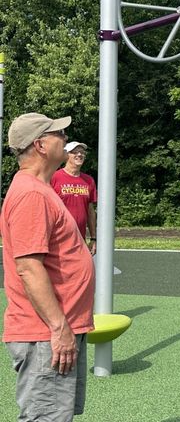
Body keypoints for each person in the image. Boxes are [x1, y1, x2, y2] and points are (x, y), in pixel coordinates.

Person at [1, 113, 95, 421]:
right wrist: (59, 328)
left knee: (56, 415)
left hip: (55, 329)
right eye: (59, 134)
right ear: (41, 145)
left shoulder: (40, 190)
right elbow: (29, 268)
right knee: (46, 417)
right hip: (46, 333)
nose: (66, 140)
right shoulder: (30, 194)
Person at [51, 141, 98, 256]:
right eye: (75, 152)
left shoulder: (89, 180)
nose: (80, 155)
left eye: (82, 152)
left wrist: (93, 238)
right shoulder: (54, 177)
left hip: (79, 239)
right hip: (57, 239)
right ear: (66, 155)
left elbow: (90, 211)